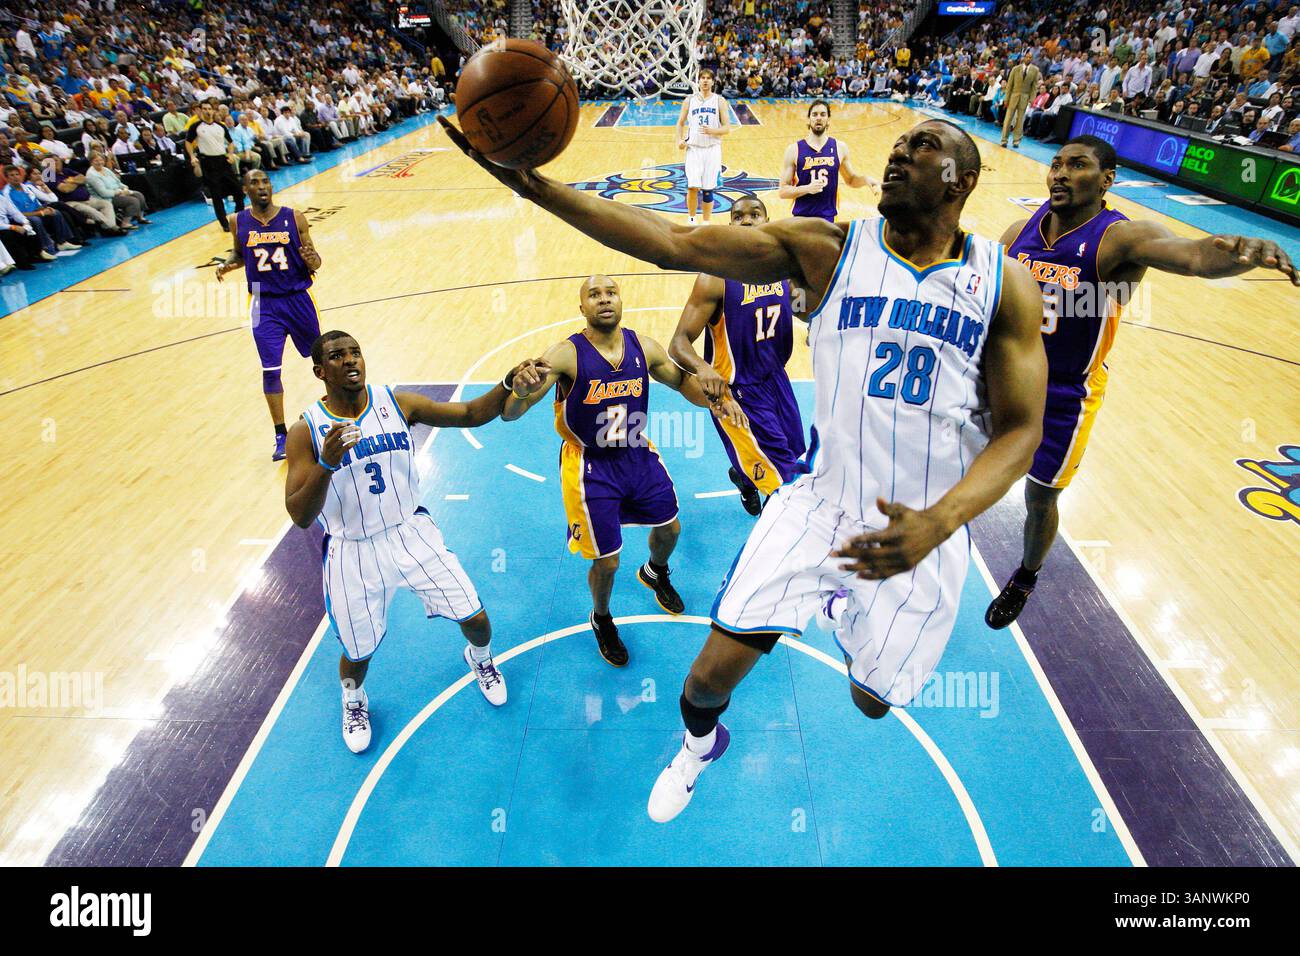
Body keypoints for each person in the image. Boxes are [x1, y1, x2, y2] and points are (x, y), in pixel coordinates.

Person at [438, 114, 1049, 824]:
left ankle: (841, 610)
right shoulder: (827, 249)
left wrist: (940, 521)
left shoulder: (1002, 286)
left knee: (873, 704)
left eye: (923, 149)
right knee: (702, 684)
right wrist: (535, 187)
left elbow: (1023, 432)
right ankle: (698, 751)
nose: (900, 155)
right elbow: (673, 241)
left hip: (924, 529)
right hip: (819, 506)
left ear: (963, 180)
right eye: (898, 145)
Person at [984, 136, 1298, 629]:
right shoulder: (1017, 231)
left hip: (1066, 395)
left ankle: (1025, 577)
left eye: (1078, 165)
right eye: (1057, 164)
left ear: (1107, 180)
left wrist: (1242, 254)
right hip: (1006, 380)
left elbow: (1193, 256)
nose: (1061, 174)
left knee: (1040, 498)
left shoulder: (1120, 239)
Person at [286, 332, 547, 752]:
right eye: (337, 356)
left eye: (355, 352)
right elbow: (300, 515)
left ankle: (480, 661)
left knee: (475, 617)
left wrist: (506, 383)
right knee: (358, 653)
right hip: (352, 551)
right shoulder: (306, 430)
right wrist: (325, 463)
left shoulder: (397, 403)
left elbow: (468, 414)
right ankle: (354, 700)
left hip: (410, 532)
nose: (350, 360)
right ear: (320, 372)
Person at [502, 275, 747, 667]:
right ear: (581, 307)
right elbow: (513, 414)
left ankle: (655, 572)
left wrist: (718, 399)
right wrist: (518, 390)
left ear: (621, 301)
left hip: (636, 453)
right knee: (608, 561)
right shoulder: (566, 354)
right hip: (589, 466)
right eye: (594, 295)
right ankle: (601, 618)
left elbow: (683, 383)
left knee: (670, 529)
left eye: (610, 293)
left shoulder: (643, 347)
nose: (604, 300)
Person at [668, 197, 805, 515]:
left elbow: (802, 310)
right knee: (786, 491)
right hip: (736, 395)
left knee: (798, 463)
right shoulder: (714, 277)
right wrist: (702, 369)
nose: (746, 220)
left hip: (777, 383)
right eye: (737, 216)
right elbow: (679, 342)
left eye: (754, 214)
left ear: (767, 222)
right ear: (729, 225)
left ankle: (743, 475)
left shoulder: (782, 271)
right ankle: (775, 562)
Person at [216, 169, 322, 461]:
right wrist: (227, 264)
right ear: (245, 189)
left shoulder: (294, 217)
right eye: (254, 183)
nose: (261, 187)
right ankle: (280, 435)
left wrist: (315, 259)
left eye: (265, 181)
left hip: (298, 298)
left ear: (271, 186)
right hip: (264, 304)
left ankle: (337, 411)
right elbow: (239, 255)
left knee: (323, 359)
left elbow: (315, 258)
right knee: (270, 370)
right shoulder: (238, 221)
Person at [779, 99, 879, 223]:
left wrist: (866, 180)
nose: (818, 118)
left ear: (828, 120)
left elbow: (851, 180)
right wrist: (807, 188)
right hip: (801, 218)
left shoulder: (840, 147)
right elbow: (783, 191)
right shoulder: (794, 149)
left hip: (827, 218)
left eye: (823, 114)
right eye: (814, 114)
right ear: (809, 119)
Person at [675, 69, 730, 224]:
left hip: (712, 149)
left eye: (708, 78)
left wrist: (712, 131)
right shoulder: (689, 100)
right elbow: (680, 123)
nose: (705, 81)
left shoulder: (719, 101)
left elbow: (727, 128)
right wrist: (679, 140)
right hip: (694, 148)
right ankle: (691, 220)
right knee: (692, 187)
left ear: (713, 82)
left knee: (708, 190)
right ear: (698, 81)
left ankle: (706, 223)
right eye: (702, 78)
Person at [185, 101, 244, 232]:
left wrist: (230, 154)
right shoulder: (196, 127)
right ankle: (224, 223)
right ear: (200, 111)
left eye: (209, 109)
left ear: (213, 111)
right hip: (208, 162)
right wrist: (192, 157)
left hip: (223, 160)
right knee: (216, 196)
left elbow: (230, 142)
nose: (207, 111)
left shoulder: (220, 126)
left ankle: (238, 217)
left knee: (239, 191)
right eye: (204, 109)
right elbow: (188, 142)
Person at [1001, 58, 1042, 148]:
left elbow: (1034, 86)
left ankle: (1016, 141)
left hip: (1025, 97)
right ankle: (1004, 140)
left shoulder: (1035, 70)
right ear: (1024, 58)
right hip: (1013, 96)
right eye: (1027, 57)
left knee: (1020, 121)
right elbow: (1009, 85)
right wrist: (1006, 99)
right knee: (1008, 119)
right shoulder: (1015, 69)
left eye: (1030, 57)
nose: (1028, 59)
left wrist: (1032, 99)